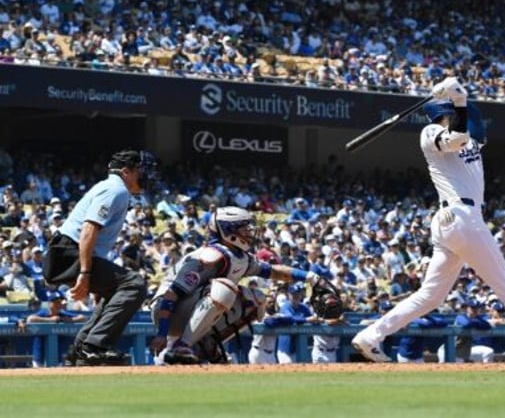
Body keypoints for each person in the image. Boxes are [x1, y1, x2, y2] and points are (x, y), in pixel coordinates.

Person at [351, 77, 505, 363]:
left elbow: (475, 129)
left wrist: (461, 97)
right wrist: (454, 101)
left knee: (431, 296)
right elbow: (456, 138)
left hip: (454, 221)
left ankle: (371, 336)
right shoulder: (430, 131)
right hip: (460, 216)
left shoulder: (470, 135)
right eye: (454, 111)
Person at [148, 206, 323, 365]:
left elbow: (274, 271)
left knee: (257, 299)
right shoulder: (209, 256)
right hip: (166, 311)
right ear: (228, 231)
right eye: (244, 227)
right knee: (225, 288)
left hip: (188, 309)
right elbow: (172, 294)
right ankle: (182, 346)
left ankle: (207, 343)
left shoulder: (239, 256)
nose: (249, 232)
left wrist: (310, 277)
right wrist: (162, 333)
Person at [42, 149, 158, 366]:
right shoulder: (116, 190)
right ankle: (94, 346)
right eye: (141, 170)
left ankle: (81, 351)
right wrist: (85, 273)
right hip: (68, 253)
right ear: (126, 172)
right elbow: (88, 230)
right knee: (135, 285)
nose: (146, 175)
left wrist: (98, 280)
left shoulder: (113, 188)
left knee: (117, 290)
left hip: (67, 252)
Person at [26, 290, 85, 367]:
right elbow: (30, 319)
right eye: (56, 302)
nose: (58, 305)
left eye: (59, 302)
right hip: (40, 354)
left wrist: (70, 320)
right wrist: (50, 320)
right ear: (49, 303)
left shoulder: (62, 314)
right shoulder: (44, 312)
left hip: (57, 355)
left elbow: (82, 317)